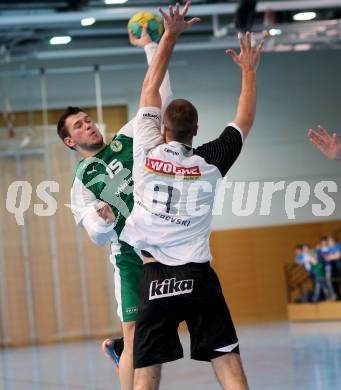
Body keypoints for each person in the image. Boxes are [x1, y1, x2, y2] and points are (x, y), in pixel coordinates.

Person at [120, 2, 264, 389]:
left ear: (161, 127)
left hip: (154, 276)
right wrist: (248, 70)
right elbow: (244, 119)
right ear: (196, 129)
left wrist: (168, 35)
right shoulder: (211, 162)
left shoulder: (146, 151)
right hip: (198, 277)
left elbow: (151, 87)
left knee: (146, 371)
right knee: (228, 365)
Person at [56, 27, 173, 390]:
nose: (88, 125)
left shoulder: (127, 137)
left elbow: (161, 97)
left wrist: (152, 46)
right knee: (138, 335)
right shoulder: (81, 182)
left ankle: (122, 350)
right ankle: (123, 350)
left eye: (88, 120)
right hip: (131, 258)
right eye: (79, 125)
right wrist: (103, 221)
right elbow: (95, 234)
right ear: (69, 141)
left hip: (167, 246)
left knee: (163, 332)